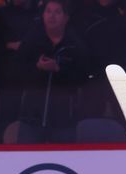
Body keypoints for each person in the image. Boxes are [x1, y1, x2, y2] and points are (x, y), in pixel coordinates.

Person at [15, 0, 92, 143]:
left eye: (57, 12)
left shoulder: (75, 45)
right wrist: (37, 68)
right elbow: (17, 73)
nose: (52, 16)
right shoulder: (31, 41)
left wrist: (58, 69)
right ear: (43, 15)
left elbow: (83, 78)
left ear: (66, 18)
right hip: (30, 118)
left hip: (64, 121)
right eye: (48, 11)